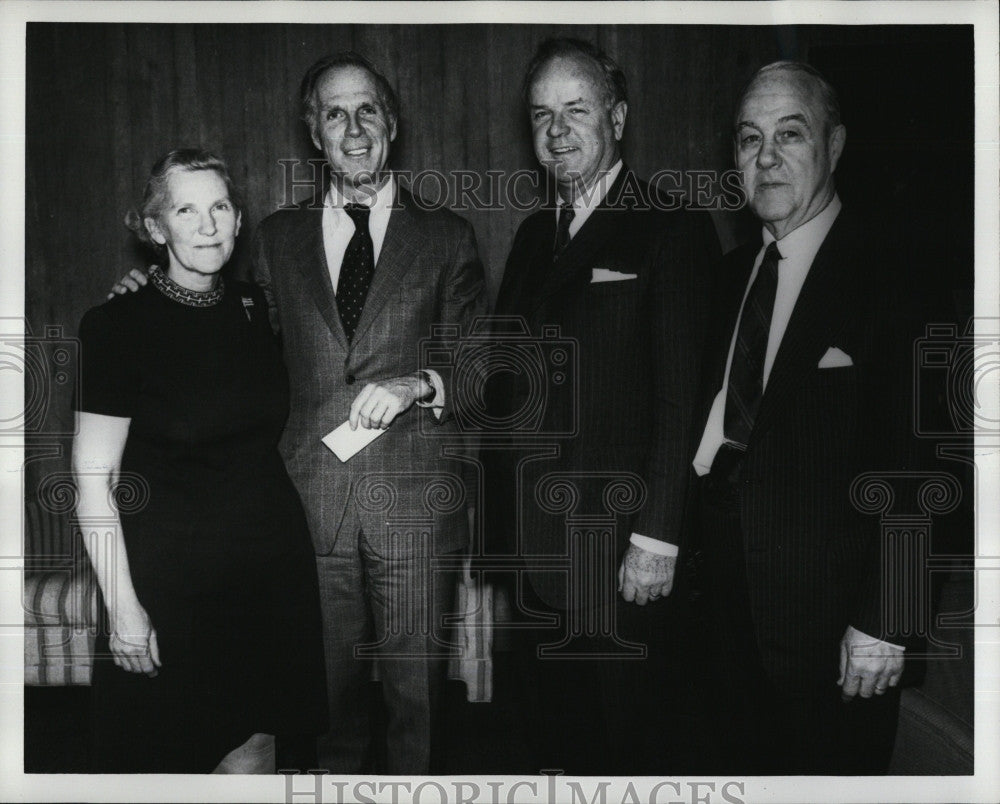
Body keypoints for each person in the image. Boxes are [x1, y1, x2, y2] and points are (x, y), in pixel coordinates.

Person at [481, 38, 718, 774]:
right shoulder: (529, 238)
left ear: (616, 116)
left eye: (576, 110)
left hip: (618, 553)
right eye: (542, 114)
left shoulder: (669, 227)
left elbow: (685, 396)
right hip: (531, 549)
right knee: (556, 739)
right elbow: (503, 385)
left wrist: (658, 537)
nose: (557, 130)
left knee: (627, 748)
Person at [691, 61, 919, 774]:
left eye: (789, 135)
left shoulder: (894, 274)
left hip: (832, 633)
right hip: (720, 613)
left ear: (836, 144)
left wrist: (890, 617)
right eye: (748, 138)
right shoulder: (730, 277)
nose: (765, 158)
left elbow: (928, 460)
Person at [74, 149, 327, 773]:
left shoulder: (253, 308)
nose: (209, 225)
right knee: (167, 756)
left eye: (220, 207)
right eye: (187, 210)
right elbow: (91, 481)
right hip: (172, 583)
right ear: (156, 229)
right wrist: (123, 609)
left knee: (258, 745)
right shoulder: (116, 324)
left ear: (239, 221)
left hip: (268, 573)